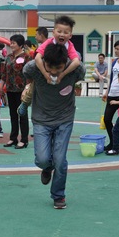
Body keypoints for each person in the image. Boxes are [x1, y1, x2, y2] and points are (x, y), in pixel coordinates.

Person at [23, 43, 85, 209]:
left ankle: (58, 195)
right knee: (43, 159)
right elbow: (26, 69)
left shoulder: (75, 70)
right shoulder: (34, 69)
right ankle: (46, 167)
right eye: (50, 66)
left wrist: (72, 54)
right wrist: (40, 56)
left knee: (60, 159)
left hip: (64, 118)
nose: (54, 72)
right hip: (41, 118)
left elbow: (78, 63)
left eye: (59, 67)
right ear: (44, 62)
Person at [18, 16, 81, 117]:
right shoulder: (48, 43)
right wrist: (45, 73)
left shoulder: (69, 45)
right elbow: (38, 58)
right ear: (54, 32)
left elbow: (76, 62)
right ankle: (25, 103)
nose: (62, 34)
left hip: (60, 71)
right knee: (34, 86)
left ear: (70, 35)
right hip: (44, 69)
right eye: (59, 31)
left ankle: (64, 110)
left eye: (66, 32)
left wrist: (62, 75)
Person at [0, 34, 31, 149]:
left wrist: (27, 89)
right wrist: (1, 87)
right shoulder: (8, 57)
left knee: (22, 114)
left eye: (14, 43)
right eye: (11, 43)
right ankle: (13, 138)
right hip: (10, 89)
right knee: (13, 114)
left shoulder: (27, 57)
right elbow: (3, 74)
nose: (11, 45)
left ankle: (24, 140)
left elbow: (29, 75)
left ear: (21, 45)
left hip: (22, 90)